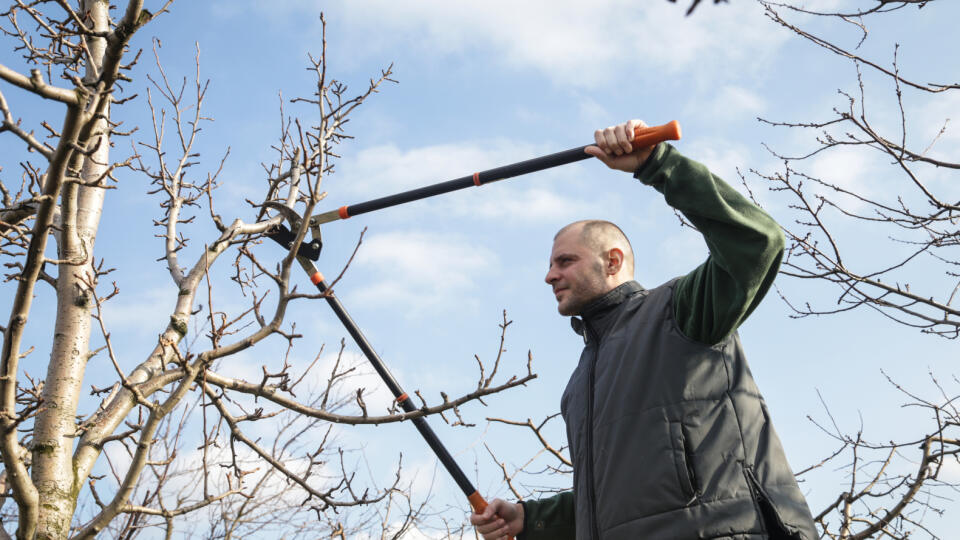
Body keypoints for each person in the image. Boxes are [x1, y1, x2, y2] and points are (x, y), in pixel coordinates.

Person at [470, 119, 818, 539]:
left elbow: (757, 241)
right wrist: (533, 518)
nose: (549, 276)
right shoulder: (578, 387)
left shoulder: (680, 311)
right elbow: (620, 498)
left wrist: (657, 163)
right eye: (550, 265)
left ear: (612, 261)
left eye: (565, 261)